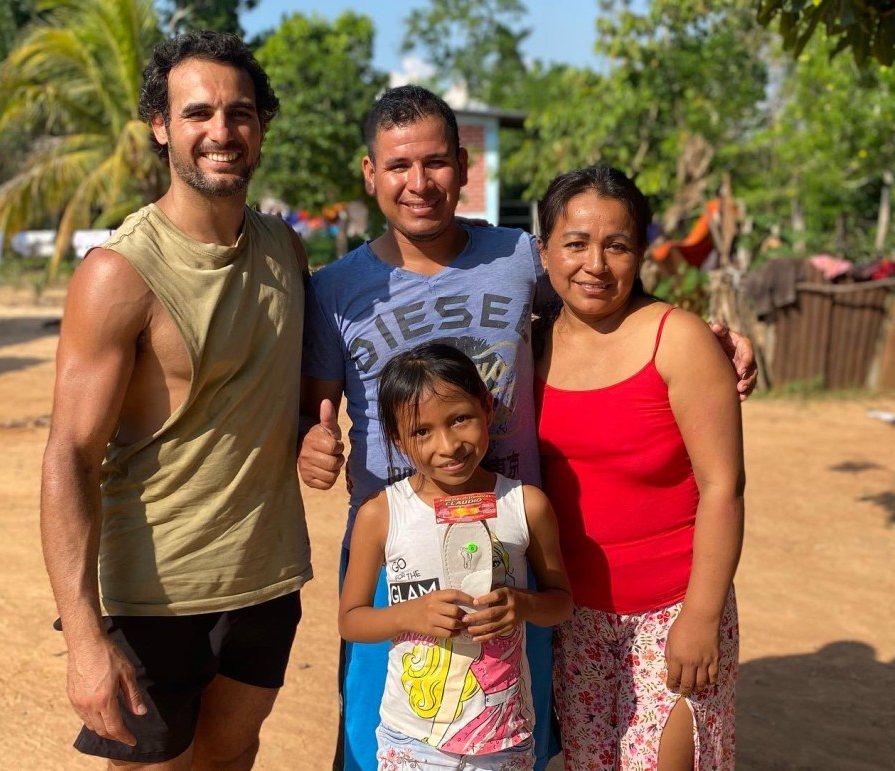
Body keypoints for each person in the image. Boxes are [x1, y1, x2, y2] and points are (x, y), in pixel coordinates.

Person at [299, 85, 756, 771]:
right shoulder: (334, 288)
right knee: (385, 744)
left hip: (513, 550)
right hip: (395, 551)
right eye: (397, 165)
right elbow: (316, 409)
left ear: (462, 166)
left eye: (435, 162)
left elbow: (599, 295)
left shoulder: (516, 256)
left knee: (510, 737)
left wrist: (709, 336)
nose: (419, 182)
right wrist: (310, 442)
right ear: (370, 174)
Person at [39, 31, 311, 769]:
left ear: (261, 125)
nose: (222, 131)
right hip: (153, 595)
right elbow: (68, 456)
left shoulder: (285, 249)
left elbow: (276, 395)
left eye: (240, 112)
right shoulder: (118, 273)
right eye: (198, 113)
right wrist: (84, 638)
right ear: (161, 126)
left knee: (233, 757)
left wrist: (313, 433)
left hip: (265, 577)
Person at [534, 166, 745, 770]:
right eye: (576, 243)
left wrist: (701, 617)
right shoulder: (529, 346)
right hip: (574, 620)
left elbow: (723, 486)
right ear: (544, 251)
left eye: (617, 245)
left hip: (673, 610)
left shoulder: (678, 339)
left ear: (641, 253)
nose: (595, 265)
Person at [339, 342, 573, 771]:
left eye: (460, 418)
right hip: (411, 741)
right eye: (421, 432)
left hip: (505, 738)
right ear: (397, 439)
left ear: (487, 407)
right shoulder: (381, 515)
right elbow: (351, 620)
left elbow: (561, 603)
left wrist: (522, 604)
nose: (447, 445)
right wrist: (410, 614)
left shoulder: (526, 505)